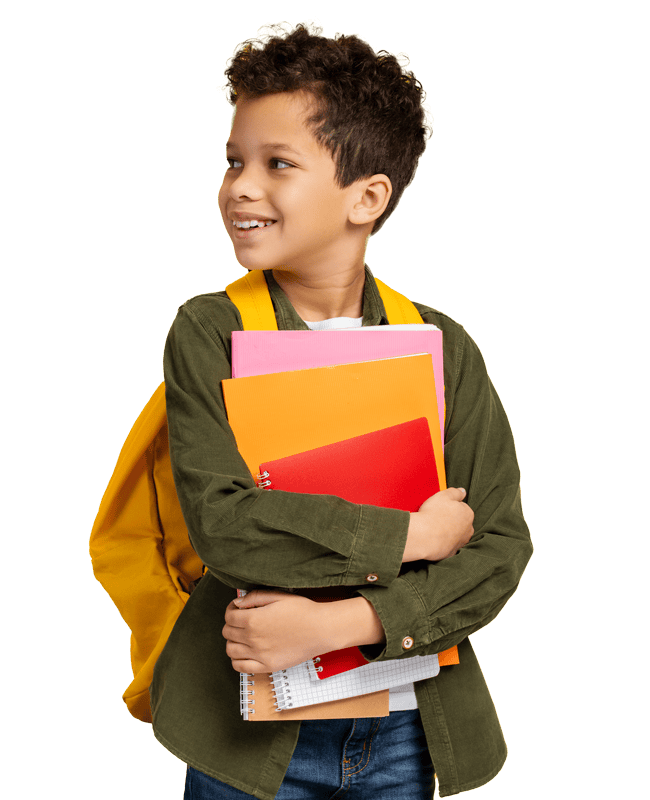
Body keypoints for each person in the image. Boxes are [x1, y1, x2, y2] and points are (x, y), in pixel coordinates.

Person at [150, 20, 532, 800]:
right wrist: (410, 536)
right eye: (233, 161)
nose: (239, 187)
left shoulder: (441, 345)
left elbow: (498, 548)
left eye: (277, 164)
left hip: (403, 734)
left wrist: (344, 622)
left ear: (367, 197)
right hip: (248, 738)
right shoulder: (209, 331)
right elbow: (224, 525)